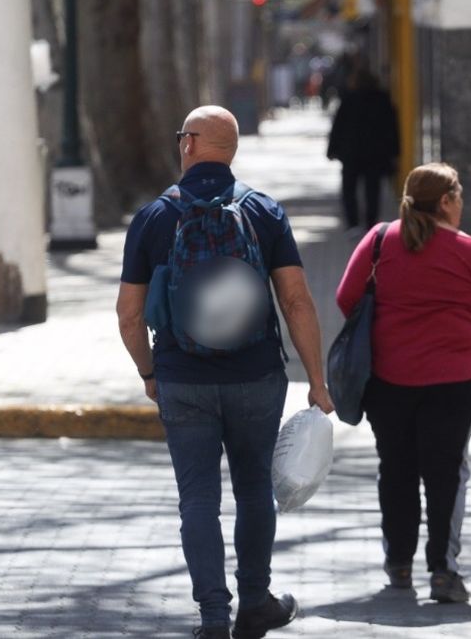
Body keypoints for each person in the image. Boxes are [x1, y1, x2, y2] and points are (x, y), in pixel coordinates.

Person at [116, 105, 335, 639]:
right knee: (255, 489)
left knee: (198, 500)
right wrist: (317, 380)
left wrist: (149, 371)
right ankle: (255, 602)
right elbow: (297, 301)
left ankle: (213, 616)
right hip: (256, 375)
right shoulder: (263, 211)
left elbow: (128, 313)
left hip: (181, 378)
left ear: (189, 143)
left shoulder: (154, 218)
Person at [336, 162, 471, 604]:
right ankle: (443, 572)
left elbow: (345, 298)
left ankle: (398, 564)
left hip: (388, 381)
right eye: (460, 195)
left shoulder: (378, 240)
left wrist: (386, 337)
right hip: (452, 383)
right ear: (447, 201)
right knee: (445, 473)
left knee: (396, 469)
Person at [327, 67, 400, 235]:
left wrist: (332, 150)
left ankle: (353, 224)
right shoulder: (382, 99)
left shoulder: (349, 99)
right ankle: (371, 223)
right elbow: (392, 128)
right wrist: (395, 152)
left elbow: (338, 127)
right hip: (375, 153)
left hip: (351, 153)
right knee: (372, 189)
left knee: (349, 189)